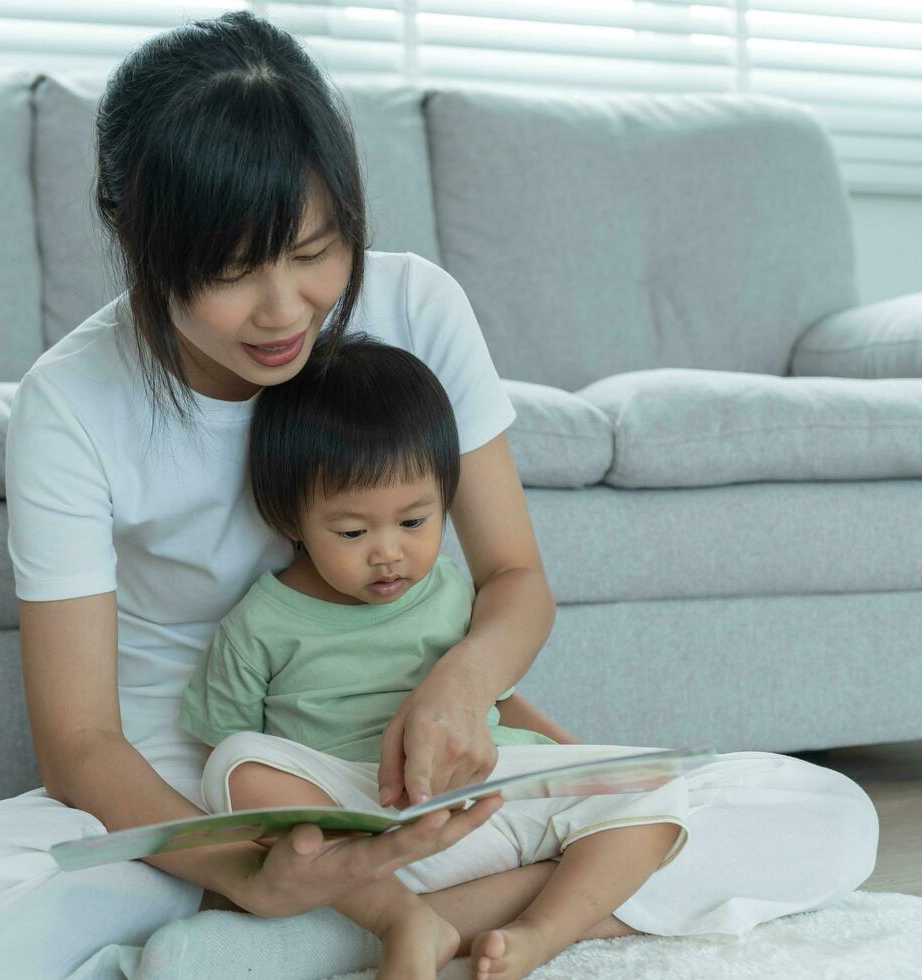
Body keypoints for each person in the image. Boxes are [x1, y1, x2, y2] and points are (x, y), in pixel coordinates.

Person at [0, 11, 879, 979]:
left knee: (828, 810)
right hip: (203, 780)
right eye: (234, 271)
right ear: (133, 228)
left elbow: (517, 578)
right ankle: (332, 915)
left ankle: (370, 930)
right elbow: (80, 741)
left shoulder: (417, 304)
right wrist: (248, 865)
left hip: (410, 760)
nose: (285, 308)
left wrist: (462, 681)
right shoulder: (72, 401)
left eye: (314, 253)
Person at [181, 335, 703, 980]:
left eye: (414, 522)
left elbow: (501, 701)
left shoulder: (454, 592)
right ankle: (404, 920)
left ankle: (536, 937)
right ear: (291, 516)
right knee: (233, 764)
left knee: (653, 784)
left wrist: (585, 763)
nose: (388, 553)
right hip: (359, 829)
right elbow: (224, 764)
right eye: (351, 532)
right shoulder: (257, 624)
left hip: (481, 798)